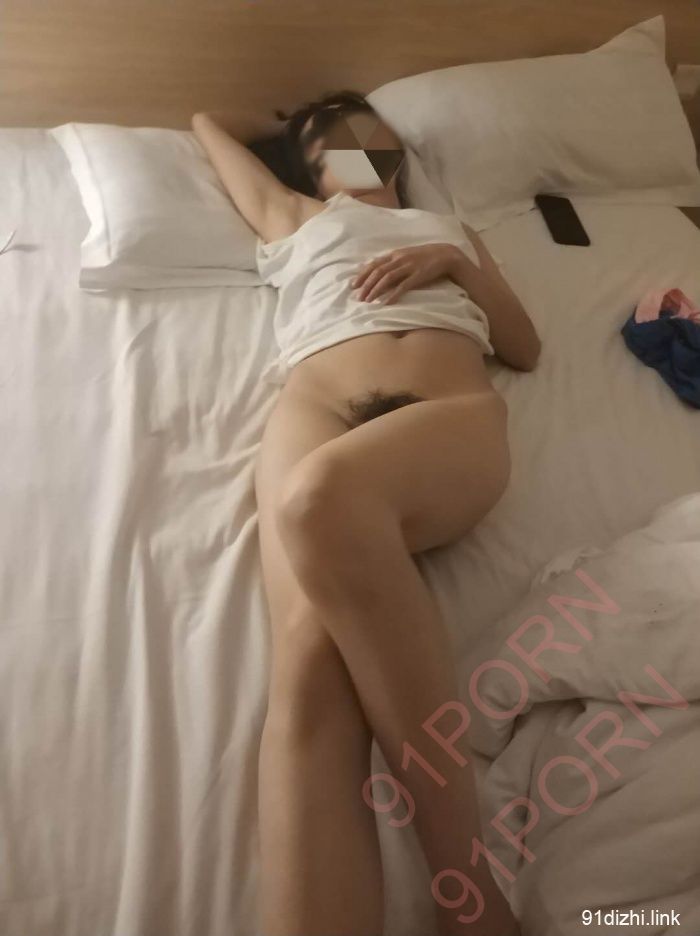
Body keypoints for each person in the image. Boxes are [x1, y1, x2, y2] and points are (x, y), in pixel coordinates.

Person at [192, 90, 540, 936]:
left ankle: (464, 890)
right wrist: (293, 120)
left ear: (396, 151)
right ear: (309, 167)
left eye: (367, 134)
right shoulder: (297, 217)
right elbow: (206, 124)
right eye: (332, 143)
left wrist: (451, 263)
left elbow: (525, 347)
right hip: (316, 404)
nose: (354, 146)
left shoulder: (450, 228)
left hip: (445, 415)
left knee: (317, 500)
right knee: (308, 663)